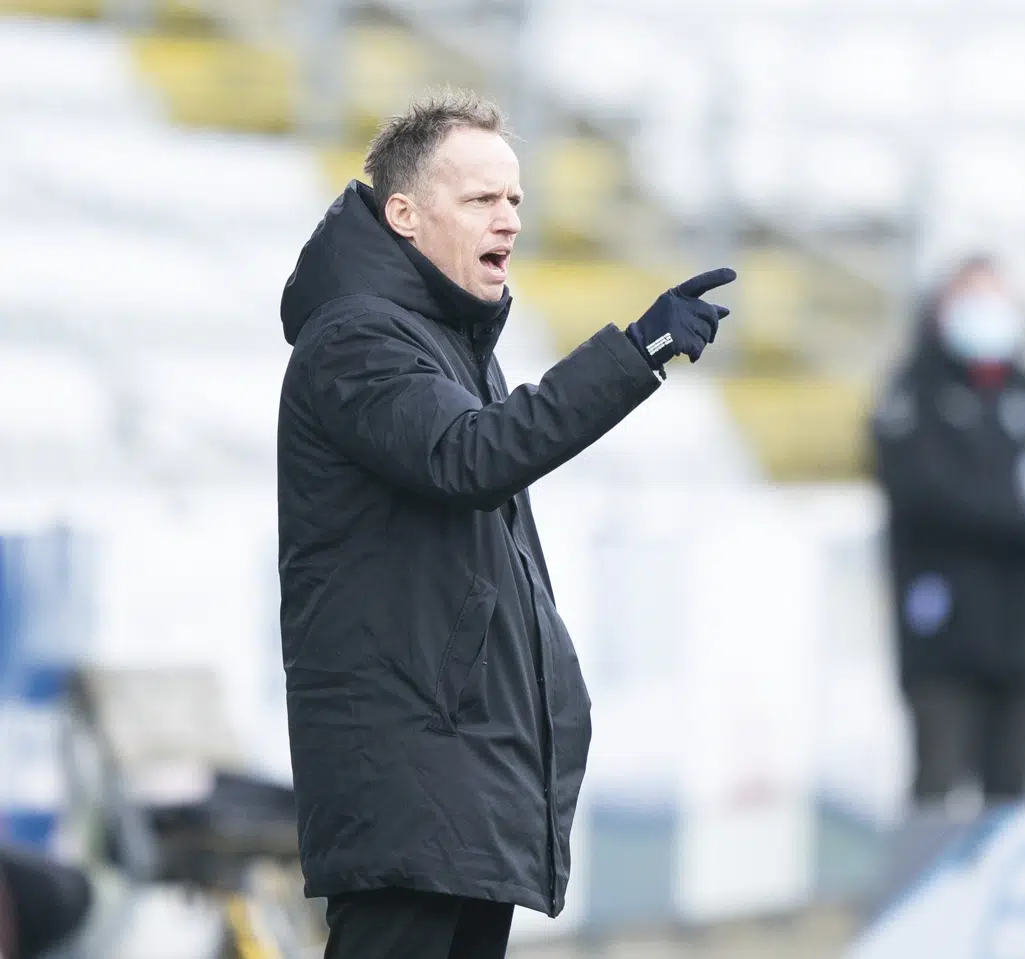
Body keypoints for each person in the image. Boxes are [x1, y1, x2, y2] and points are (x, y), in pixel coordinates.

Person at [276, 92, 735, 959]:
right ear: (406, 215)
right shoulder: (357, 340)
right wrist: (636, 353)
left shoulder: (445, 341)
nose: (510, 219)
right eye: (482, 199)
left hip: (456, 776)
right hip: (410, 778)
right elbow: (471, 455)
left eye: (516, 198)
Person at [870, 256, 1025, 812]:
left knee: (1013, 799)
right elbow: (930, 498)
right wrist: (1024, 513)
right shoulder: (911, 394)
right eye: (972, 299)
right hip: (943, 637)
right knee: (935, 791)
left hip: (1024, 634)